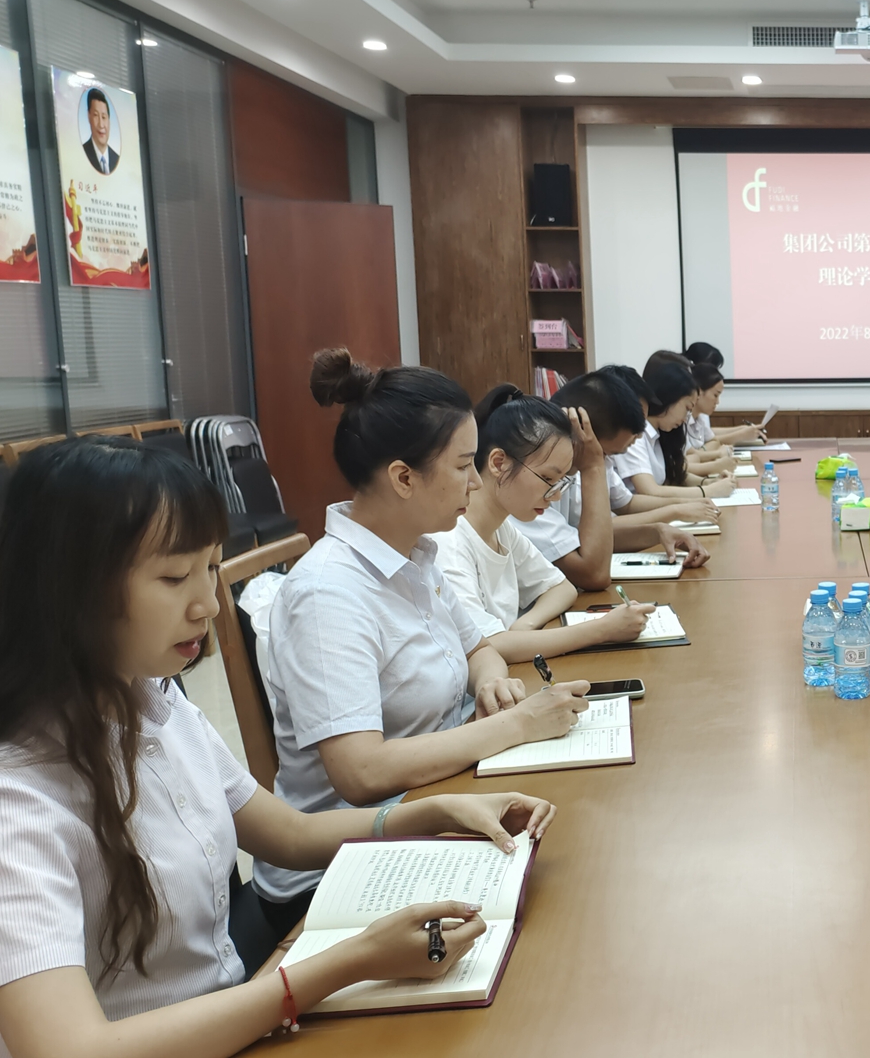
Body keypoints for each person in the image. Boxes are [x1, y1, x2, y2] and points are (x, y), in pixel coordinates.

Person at [0, 437, 558, 1058]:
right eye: (173, 576)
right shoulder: (20, 796)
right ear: (69, 587)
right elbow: (68, 1050)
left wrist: (432, 813)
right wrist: (341, 967)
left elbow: (286, 834)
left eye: (211, 568)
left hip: (240, 1013)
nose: (208, 604)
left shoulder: (153, 699)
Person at [255, 350, 592, 931]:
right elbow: (360, 774)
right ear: (403, 477)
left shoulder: (416, 553)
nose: (476, 480)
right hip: (343, 868)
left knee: (574, 857)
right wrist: (514, 724)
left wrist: (491, 683)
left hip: (431, 804)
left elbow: (479, 647)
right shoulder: (327, 593)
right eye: (464, 466)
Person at [437, 384, 655, 662]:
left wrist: (524, 626)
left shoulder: (502, 528)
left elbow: (560, 587)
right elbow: (487, 644)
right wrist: (602, 629)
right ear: (498, 462)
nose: (556, 494)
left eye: (561, 480)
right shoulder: (451, 540)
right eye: (548, 479)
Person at [514, 365, 713, 591]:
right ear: (582, 433)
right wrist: (593, 466)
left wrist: (656, 531)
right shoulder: (531, 478)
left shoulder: (563, 472)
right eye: (606, 454)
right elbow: (594, 574)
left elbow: (581, 539)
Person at [614, 360, 735, 500]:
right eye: (687, 409)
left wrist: (709, 483)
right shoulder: (635, 435)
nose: (685, 419)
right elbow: (649, 491)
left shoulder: (660, 433)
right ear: (670, 398)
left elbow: (674, 474)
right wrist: (707, 491)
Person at [682, 343, 764, 448]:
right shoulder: (683, 416)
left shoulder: (699, 416)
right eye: (715, 395)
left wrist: (742, 430)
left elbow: (709, 437)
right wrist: (740, 434)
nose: (717, 402)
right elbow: (695, 453)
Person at [80, 88, 118, 176]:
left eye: (104, 117)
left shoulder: (116, 158)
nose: (101, 125)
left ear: (109, 120)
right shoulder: (82, 154)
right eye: (96, 116)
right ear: (89, 116)